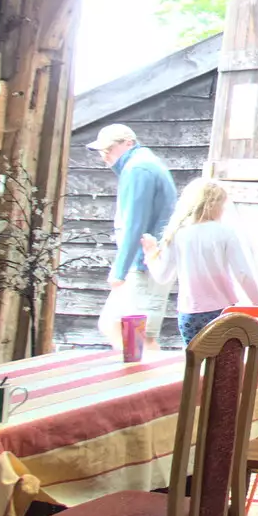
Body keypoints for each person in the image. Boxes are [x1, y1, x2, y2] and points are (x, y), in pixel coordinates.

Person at [141, 178, 258, 344]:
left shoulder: (177, 234)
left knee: (195, 364)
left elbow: (162, 276)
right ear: (213, 205)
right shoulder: (225, 233)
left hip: (189, 314)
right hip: (223, 311)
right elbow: (243, 274)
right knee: (226, 364)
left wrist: (150, 253)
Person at [88, 123, 178, 352]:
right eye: (102, 152)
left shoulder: (138, 169)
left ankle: (147, 382)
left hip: (144, 263)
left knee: (136, 335)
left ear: (129, 143)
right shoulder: (143, 165)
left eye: (109, 150)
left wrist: (119, 269)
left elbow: (134, 224)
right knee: (115, 325)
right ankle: (138, 376)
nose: (105, 156)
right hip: (148, 261)